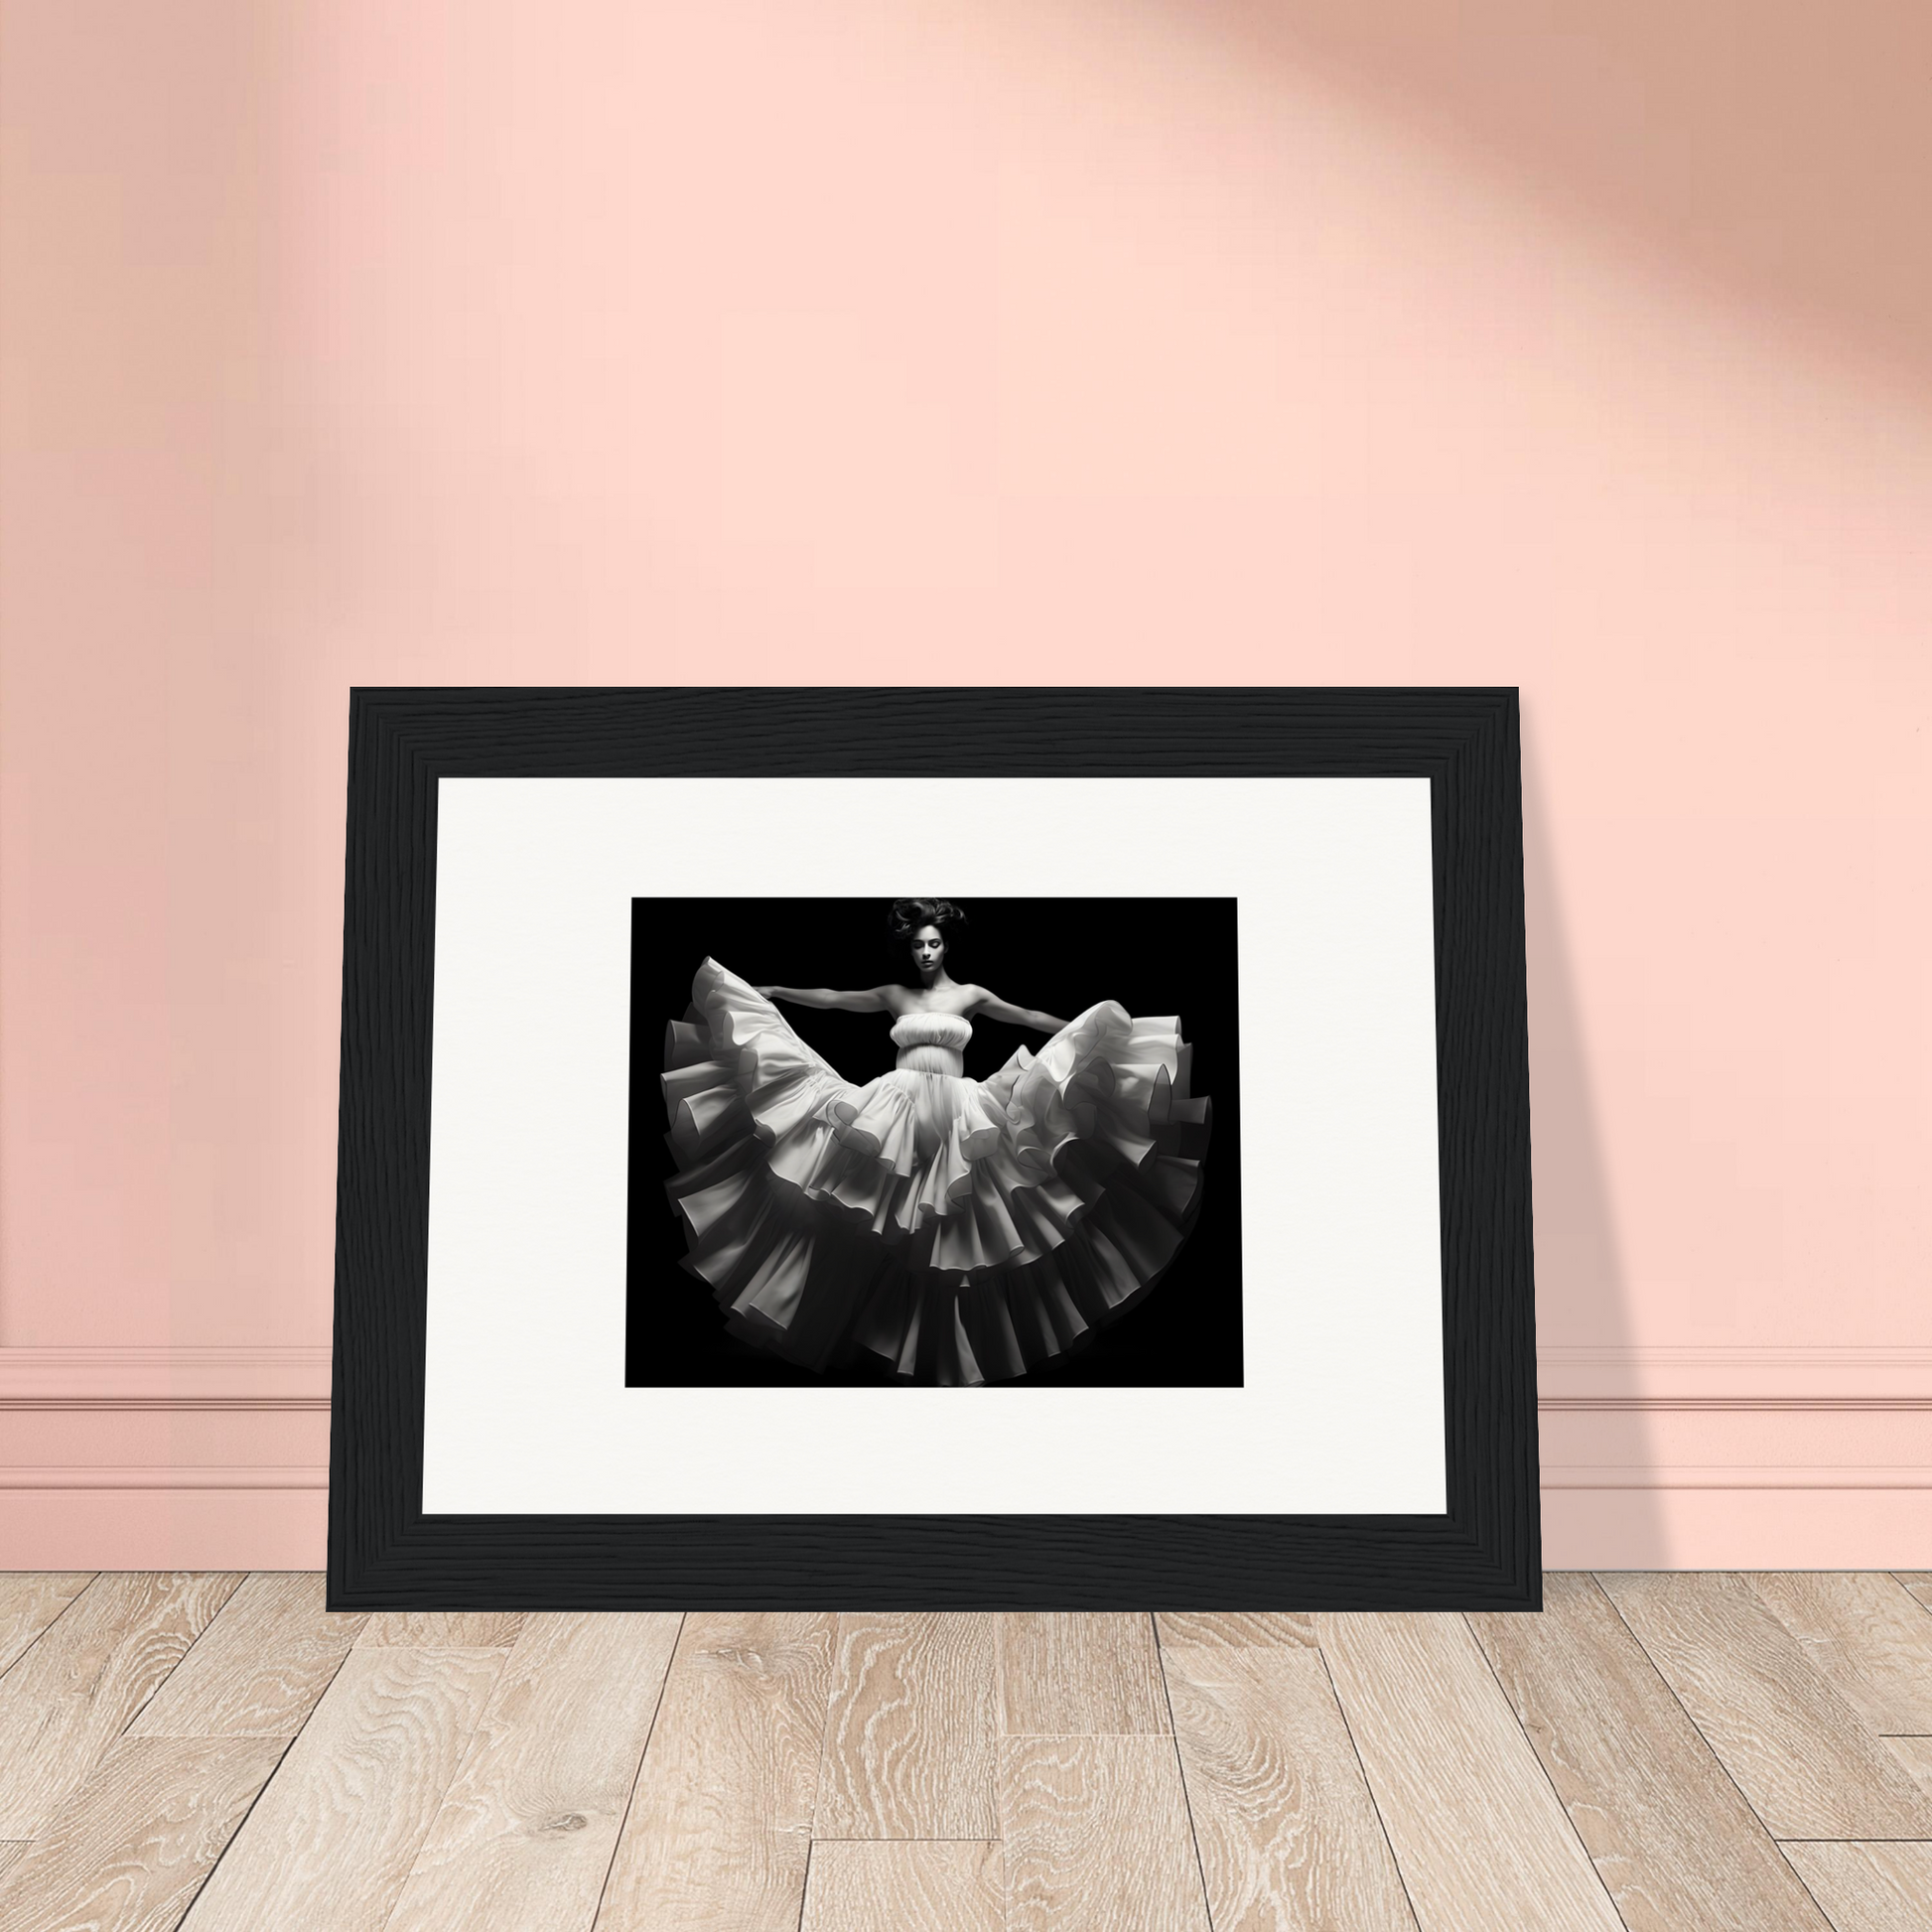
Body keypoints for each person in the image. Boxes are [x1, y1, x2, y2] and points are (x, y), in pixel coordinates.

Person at [660, 898, 1210, 1385]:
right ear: (910, 946)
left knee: (953, 1222)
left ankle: (945, 1346)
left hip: (958, 1110)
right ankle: (880, 1334)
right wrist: (777, 990)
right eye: (918, 943)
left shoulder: (969, 994)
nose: (925, 951)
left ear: (947, 945)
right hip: (896, 1106)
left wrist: (1086, 1029)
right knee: (886, 1214)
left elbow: (1026, 1016)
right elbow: (832, 999)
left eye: (934, 943)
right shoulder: (894, 993)